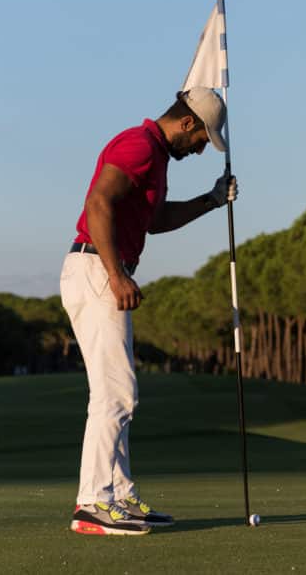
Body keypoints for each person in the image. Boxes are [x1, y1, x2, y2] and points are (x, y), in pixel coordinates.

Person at [61, 87, 237, 536]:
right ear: (187, 123)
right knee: (115, 393)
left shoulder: (153, 155)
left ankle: (117, 495)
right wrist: (116, 274)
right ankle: (93, 502)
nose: (200, 149)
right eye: (202, 140)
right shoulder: (138, 146)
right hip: (98, 267)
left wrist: (212, 201)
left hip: (99, 266)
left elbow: (154, 220)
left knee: (116, 390)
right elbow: (98, 202)